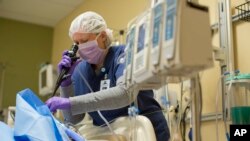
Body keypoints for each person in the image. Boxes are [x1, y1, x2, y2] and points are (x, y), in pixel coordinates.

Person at [46, 11, 170, 141]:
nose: (80, 48)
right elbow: (74, 118)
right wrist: (66, 84)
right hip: (111, 135)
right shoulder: (80, 70)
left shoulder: (124, 54)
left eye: (84, 41)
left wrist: (70, 102)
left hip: (144, 131)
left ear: (103, 36)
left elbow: (124, 94)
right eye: (76, 43)